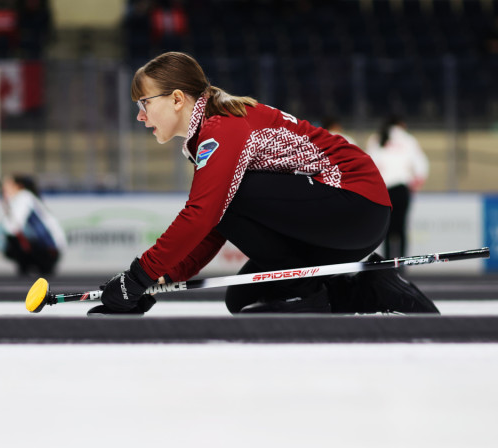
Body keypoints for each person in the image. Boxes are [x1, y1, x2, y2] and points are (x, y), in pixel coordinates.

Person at [91, 51, 438, 316]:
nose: (140, 115)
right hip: (345, 218)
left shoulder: (221, 128)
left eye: (144, 103)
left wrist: (138, 276)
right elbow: (213, 224)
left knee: (226, 200)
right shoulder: (211, 133)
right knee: (243, 297)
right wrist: (156, 281)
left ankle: (304, 293)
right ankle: (372, 290)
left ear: (177, 99)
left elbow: (204, 214)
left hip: (356, 203)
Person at [365, 116, 429, 259]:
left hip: (384, 190)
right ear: (401, 124)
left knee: (386, 228)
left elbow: (369, 164)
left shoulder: (376, 139)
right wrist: (415, 183)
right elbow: (421, 165)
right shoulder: (408, 139)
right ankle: (402, 263)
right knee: (401, 228)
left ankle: (388, 263)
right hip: (402, 188)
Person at [2, 174, 67, 276]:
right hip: (50, 249)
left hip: (49, 250)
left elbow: (12, 227)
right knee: (15, 240)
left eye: (8, 184)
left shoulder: (24, 197)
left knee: (12, 240)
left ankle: (27, 266)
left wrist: (8, 207)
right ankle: (28, 266)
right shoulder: (27, 197)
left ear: (18, 186)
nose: (4, 188)